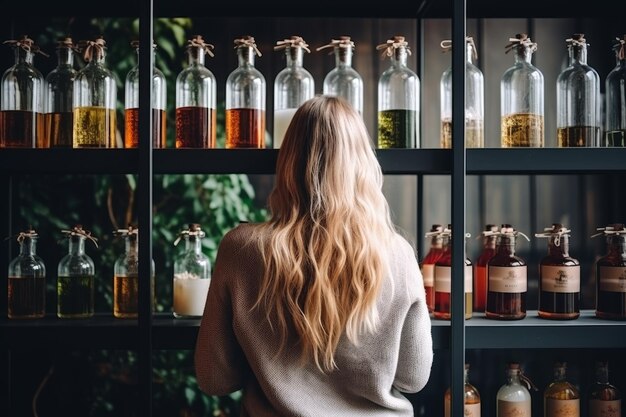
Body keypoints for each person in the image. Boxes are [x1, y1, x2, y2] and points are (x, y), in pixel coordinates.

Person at [194, 95, 433, 416]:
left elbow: (214, 379)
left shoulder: (241, 249)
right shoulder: (398, 254)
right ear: (362, 164)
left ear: (287, 160)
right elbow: (413, 378)